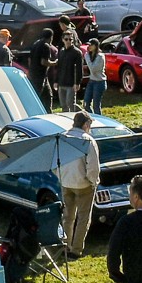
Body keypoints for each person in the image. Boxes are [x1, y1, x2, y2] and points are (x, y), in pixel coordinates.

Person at [56, 110, 103, 256]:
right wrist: (93, 182)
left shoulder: (62, 138)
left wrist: (61, 176)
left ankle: (66, 245)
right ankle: (76, 249)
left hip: (66, 182)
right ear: (86, 124)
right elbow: (93, 167)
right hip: (84, 185)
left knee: (67, 217)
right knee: (83, 218)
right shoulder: (88, 141)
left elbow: (54, 161)